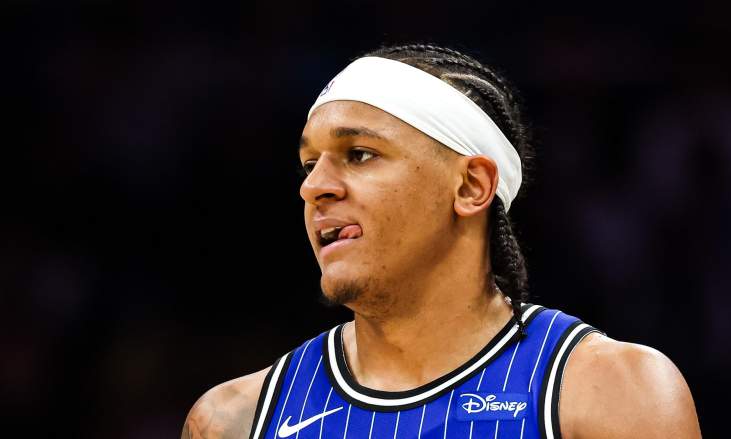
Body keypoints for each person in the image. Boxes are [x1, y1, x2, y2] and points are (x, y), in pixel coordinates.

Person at [181, 44, 701, 439]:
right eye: (309, 164)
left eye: (359, 154)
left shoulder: (613, 393)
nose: (313, 187)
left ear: (472, 186)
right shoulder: (234, 420)